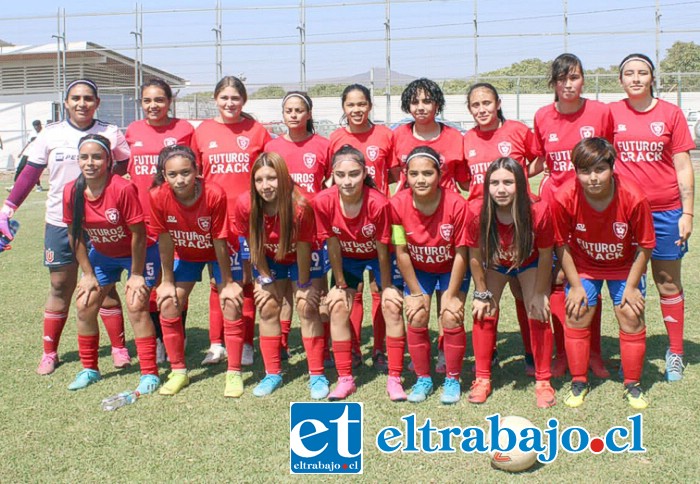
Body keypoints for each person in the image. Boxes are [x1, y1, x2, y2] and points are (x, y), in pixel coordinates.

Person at [0, 79, 131, 376]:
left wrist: (109, 194)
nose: (81, 103)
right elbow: (31, 172)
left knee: (105, 286)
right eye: (75, 98)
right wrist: (7, 209)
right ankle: (50, 352)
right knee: (60, 285)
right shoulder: (51, 134)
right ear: (67, 102)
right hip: (61, 223)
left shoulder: (110, 132)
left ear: (97, 103)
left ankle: (119, 349)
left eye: (87, 98)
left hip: (101, 223)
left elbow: (125, 167)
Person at [610, 53, 695, 381]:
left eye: (642, 72)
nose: (635, 78)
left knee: (667, 281)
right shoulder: (611, 113)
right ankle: (634, 352)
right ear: (620, 80)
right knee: (631, 285)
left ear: (652, 78)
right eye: (628, 72)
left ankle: (675, 352)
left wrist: (687, 212)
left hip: (666, 212)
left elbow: (683, 165)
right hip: (623, 214)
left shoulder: (670, 114)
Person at [553, 137, 654, 409]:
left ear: (612, 168)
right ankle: (579, 381)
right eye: (585, 171)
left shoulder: (634, 196)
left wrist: (632, 287)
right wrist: (574, 285)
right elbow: (561, 244)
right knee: (577, 311)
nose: (592, 178)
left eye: (600, 170)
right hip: (584, 266)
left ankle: (632, 384)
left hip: (624, 266)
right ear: (575, 171)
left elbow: (645, 246)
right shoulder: (564, 196)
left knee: (631, 314)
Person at [530, 54, 614, 378]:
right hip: (555, 208)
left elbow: (609, 158)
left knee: (589, 279)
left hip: (592, 209)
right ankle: (564, 352)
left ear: (584, 80)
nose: (568, 84)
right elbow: (539, 159)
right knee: (558, 279)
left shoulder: (600, 112)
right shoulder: (541, 117)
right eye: (562, 78)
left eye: (575, 77)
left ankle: (594, 354)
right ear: (554, 83)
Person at [62, 134, 160, 393]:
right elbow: (75, 234)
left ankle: (150, 373)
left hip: (139, 251)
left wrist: (136, 274)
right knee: (84, 304)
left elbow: (139, 234)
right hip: (103, 254)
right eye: (84, 157)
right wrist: (87, 274)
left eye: (97, 157)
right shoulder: (72, 190)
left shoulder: (122, 188)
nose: (90, 162)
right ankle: (89, 369)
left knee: (136, 304)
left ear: (109, 160)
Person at [231, 152, 328, 398]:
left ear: (283, 178)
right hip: (270, 258)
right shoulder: (245, 204)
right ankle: (272, 373)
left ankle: (317, 375)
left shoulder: (301, 206)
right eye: (259, 180)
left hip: (301, 257)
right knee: (267, 306)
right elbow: (253, 244)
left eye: (272, 178)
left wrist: (304, 284)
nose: (265, 186)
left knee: (307, 307)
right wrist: (264, 279)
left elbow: (305, 247)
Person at [149, 145, 243, 396]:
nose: (180, 179)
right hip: (188, 252)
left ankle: (234, 372)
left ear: (197, 171)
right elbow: (166, 239)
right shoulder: (157, 196)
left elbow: (220, 238)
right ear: (164, 174)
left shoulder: (213, 193)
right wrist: (167, 280)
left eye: (186, 172)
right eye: (172, 174)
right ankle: (178, 371)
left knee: (231, 301)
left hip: (219, 250)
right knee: (168, 301)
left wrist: (228, 282)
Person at [314, 145, 406, 400]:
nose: (347, 181)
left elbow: (383, 247)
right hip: (347, 260)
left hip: (379, 258)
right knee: (339, 306)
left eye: (354, 174)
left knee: (391, 306)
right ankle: (345, 379)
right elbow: (331, 243)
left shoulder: (378, 203)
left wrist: (387, 287)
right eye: (341, 175)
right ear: (333, 174)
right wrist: (341, 286)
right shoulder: (322, 201)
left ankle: (395, 378)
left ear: (365, 172)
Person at [191, 76, 271, 367]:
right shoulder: (203, 131)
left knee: (247, 282)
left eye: (235, 98)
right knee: (218, 283)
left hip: (248, 220)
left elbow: (269, 172)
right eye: (224, 98)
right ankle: (216, 345)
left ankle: (247, 344)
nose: (229, 103)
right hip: (214, 221)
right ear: (215, 99)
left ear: (244, 101)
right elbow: (195, 176)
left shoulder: (257, 131)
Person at [464, 82, 540, 377]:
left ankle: (532, 351)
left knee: (523, 290)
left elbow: (539, 157)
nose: (481, 109)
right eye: (475, 105)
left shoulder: (518, 131)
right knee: (486, 291)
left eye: (486, 103)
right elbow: (463, 178)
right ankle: (489, 352)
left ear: (498, 103)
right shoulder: (466, 138)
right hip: (485, 227)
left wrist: (519, 180)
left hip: (517, 222)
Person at [466, 158, 555, 407]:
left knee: (538, 310)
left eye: (508, 182)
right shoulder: (476, 210)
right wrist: (481, 293)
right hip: (496, 264)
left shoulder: (538, 209)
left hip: (530, 261)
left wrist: (539, 294)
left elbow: (547, 253)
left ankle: (543, 380)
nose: (501, 189)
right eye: (494, 183)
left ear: (521, 184)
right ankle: (482, 378)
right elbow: (474, 256)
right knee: (484, 310)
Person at [390, 146, 469, 404]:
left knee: (450, 315)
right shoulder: (397, 204)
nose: (420, 179)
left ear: (440, 173)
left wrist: (453, 295)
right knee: (417, 313)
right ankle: (423, 378)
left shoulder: (457, 204)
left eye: (427, 173)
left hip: (451, 269)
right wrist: (414, 292)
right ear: (406, 176)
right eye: (414, 174)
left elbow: (461, 254)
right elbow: (401, 251)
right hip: (419, 271)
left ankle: (452, 379)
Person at [126, 78, 196, 364]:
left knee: (176, 280)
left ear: (169, 102)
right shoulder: (132, 131)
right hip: (141, 220)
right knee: (151, 281)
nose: (153, 105)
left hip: (175, 219)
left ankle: (177, 332)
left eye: (159, 100)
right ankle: (157, 337)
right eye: (147, 100)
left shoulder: (184, 130)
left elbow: (194, 171)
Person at [329, 84, 396, 371]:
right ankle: (353, 349)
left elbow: (393, 175)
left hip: (379, 223)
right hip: (347, 228)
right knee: (348, 290)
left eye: (361, 104)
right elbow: (330, 181)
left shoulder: (385, 135)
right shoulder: (334, 138)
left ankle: (379, 350)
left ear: (370, 106)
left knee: (380, 288)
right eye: (350, 105)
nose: (356, 110)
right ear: (343, 108)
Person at [264, 91, 331, 361]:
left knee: (317, 290)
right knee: (282, 292)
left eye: (299, 110)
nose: (293, 115)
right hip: (280, 228)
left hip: (313, 229)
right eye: (288, 110)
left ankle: (323, 345)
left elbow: (328, 184)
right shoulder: (272, 147)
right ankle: (281, 342)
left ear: (309, 114)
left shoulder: (323, 145)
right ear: (283, 114)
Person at [391, 78, 469, 194]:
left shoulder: (455, 137)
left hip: (446, 207)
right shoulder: (397, 136)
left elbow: (464, 181)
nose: (420, 108)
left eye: (427, 101)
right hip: (408, 208)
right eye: (414, 102)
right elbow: (395, 171)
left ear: (437, 104)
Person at [8, 120, 44, 193]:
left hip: (36, 154)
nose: (36, 127)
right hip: (27, 153)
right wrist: (21, 152)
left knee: (33, 171)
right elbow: (28, 143)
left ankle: (39, 186)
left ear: (40, 125)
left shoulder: (44, 133)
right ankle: (14, 185)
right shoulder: (32, 133)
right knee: (19, 169)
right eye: (35, 126)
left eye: (37, 126)